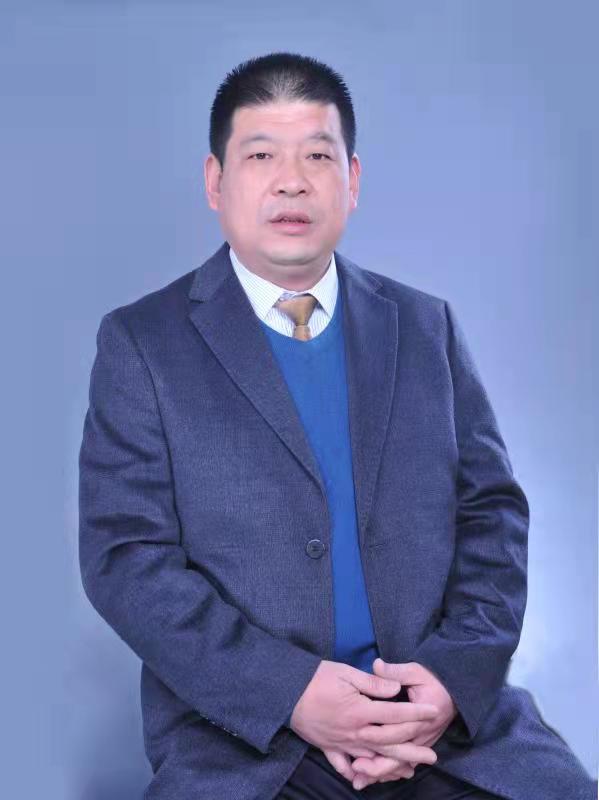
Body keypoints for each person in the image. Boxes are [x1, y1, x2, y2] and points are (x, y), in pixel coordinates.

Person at [78, 52, 595, 800]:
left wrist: (448, 682)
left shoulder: (424, 327)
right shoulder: (144, 343)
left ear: (351, 181)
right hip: (250, 738)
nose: (292, 181)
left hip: (438, 725)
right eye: (261, 156)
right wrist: (290, 691)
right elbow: (126, 558)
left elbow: (492, 513)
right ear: (216, 182)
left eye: (317, 156)